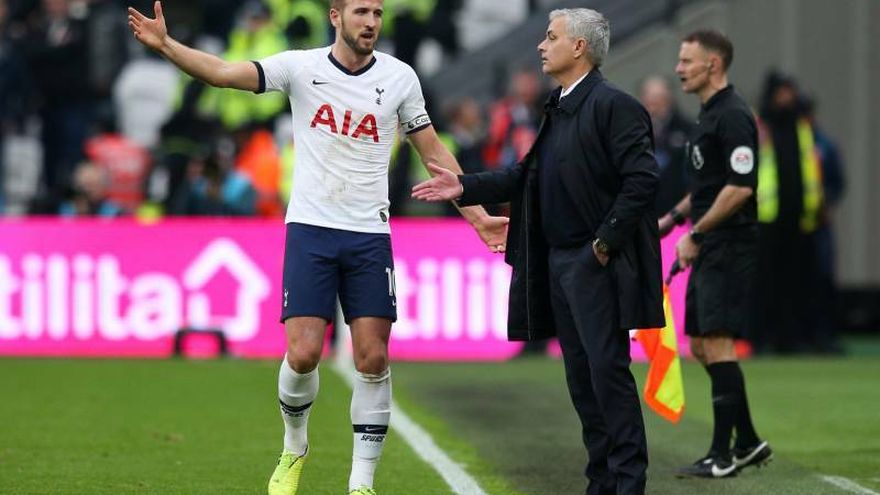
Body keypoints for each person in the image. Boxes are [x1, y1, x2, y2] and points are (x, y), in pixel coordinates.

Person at [127, 2, 507, 495]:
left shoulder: (400, 78)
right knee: (304, 353)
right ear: (335, 16)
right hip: (311, 229)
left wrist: (478, 218)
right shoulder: (300, 68)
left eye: (378, 13)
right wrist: (166, 45)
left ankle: (361, 483)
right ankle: (294, 446)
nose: (371, 22)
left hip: (369, 235)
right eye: (361, 12)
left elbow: (433, 153)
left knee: (372, 357)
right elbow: (221, 73)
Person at [413, 9, 663, 494]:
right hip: (559, 261)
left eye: (551, 37)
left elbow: (642, 181)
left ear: (579, 48)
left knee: (607, 374)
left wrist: (603, 245)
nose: (541, 46)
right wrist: (464, 185)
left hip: (594, 261)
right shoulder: (560, 106)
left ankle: (628, 484)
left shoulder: (615, 106)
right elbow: (525, 176)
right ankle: (601, 481)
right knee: (581, 380)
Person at [657, 29, 772, 477]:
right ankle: (747, 441)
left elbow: (740, 188)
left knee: (717, 342)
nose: (679, 69)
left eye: (687, 61)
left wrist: (697, 234)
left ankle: (722, 456)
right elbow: (709, 187)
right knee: (703, 346)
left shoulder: (734, 116)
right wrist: (672, 219)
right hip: (711, 242)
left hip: (728, 243)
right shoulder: (708, 115)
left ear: (714, 64)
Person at [639, 75, 694, 216]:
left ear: (669, 100)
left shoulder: (687, 130)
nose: (653, 109)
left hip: (679, 213)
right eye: (649, 103)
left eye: (658, 102)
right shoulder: (633, 132)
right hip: (645, 213)